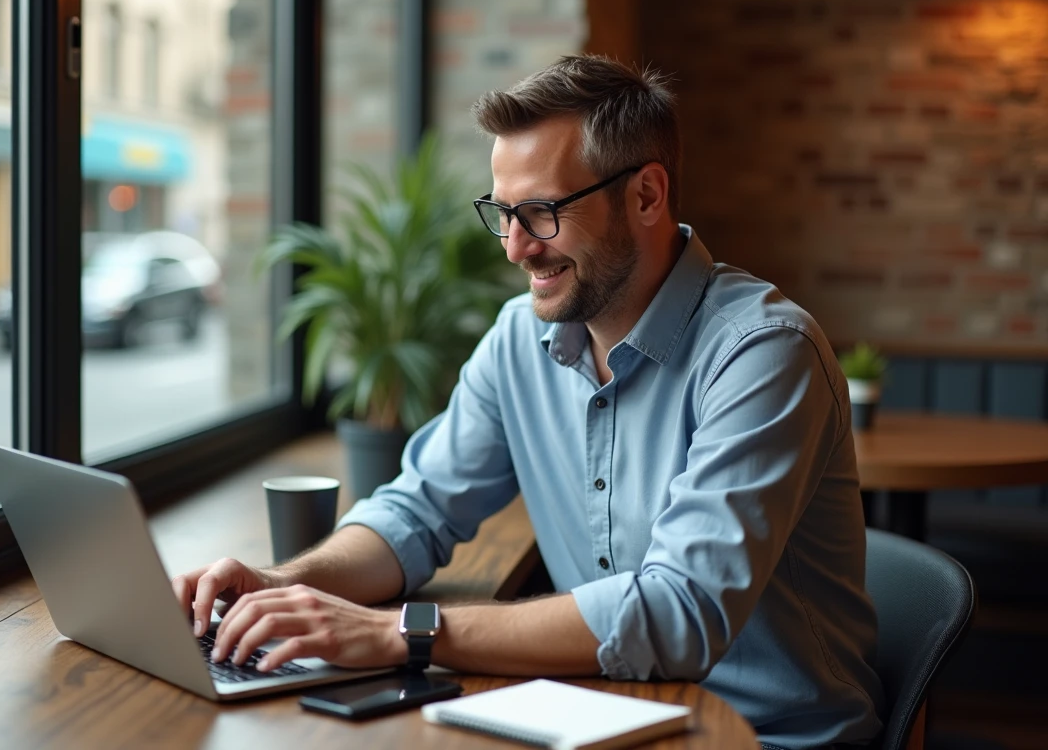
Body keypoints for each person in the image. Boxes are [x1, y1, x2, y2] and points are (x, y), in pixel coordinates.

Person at [172, 55, 883, 750]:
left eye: (540, 213)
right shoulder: (520, 338)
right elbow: (416, 512)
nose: (514, 248)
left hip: (766, 736)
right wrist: (278, 586)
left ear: (646, 196)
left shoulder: (762, 351)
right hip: (601, 716)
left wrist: (397, 633)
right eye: (502, 212)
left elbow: (679, 614)